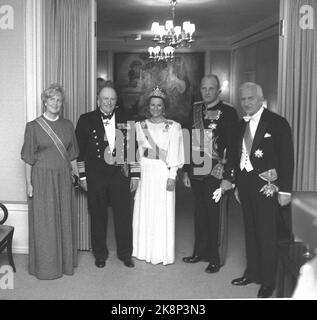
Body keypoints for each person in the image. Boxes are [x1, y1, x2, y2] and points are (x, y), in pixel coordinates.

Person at [231, 82, 294, 298]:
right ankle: (252, 272)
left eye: (251, 98)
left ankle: (268, 281)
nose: (246, 102)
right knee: (250, 230)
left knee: (267, 233)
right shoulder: (240, 124)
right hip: (246, 186)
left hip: (268, 186)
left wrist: (285, 190)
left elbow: (287, 158)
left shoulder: (277, 123)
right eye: (243, 99)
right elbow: (237, 156)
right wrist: (237, 184)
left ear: (260, 98)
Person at [75, 85, 139, 269]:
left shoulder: (127, 119)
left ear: (116, 101)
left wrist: (135, 175)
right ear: (98, 100)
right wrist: (83, 177)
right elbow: (79, 152)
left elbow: (133, 149)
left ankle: (125, 254)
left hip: (120, 175)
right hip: (96, 176)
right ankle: (100, 254)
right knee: (98, 216)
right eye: (105, 99)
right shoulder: (86, 120)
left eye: (112, 99)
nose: (109, 102)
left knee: (123, 216)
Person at [21, 83, 79, 280]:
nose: (55, 103)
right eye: (52, 99)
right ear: (44, 101)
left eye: (59, 100)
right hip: (42, 180)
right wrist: (28, 183)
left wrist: (77, 176)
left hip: (63, 178)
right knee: (45, 222)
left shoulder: (68, 125)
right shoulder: (33, 127)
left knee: (63, 219)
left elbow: (73, 155)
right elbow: (28, 158)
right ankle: (46, 267)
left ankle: (64, 263)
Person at [182, 74, 238, 273]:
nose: (206, 92)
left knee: (215, 216)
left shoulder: (229, 113)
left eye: (211, 88)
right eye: (204, 88)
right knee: (200, 213)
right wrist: (186, 171)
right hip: (197, 169)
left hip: (216, 171)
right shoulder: (195, 109)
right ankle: (200, 252)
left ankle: (215, 257)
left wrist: (229, 176)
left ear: (218, 91)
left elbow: (233, 146)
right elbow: (188, 141)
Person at [132, 87, 185, 265]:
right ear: (149, 106)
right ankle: (143, 250)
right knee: (144, 209)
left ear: (164, 107)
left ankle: (161, 253)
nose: (155, 108)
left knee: (162, 211)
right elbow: (136, 152)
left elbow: (176, 153)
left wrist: (172, 175)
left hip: (163, 171)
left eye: (159, 105)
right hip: (146, 171)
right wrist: (135, 174)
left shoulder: (174, 126)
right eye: (153, 105)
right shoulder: (139, 126)